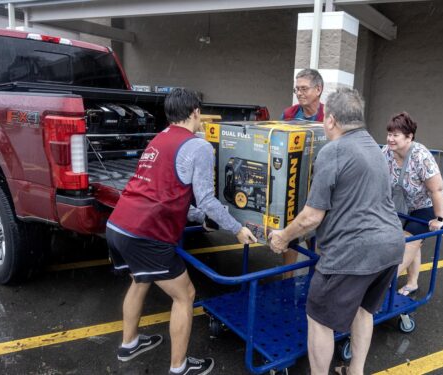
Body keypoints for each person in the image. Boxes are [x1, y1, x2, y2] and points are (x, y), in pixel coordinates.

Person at [106, 88, 257, 375]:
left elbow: (167, 193)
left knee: (140, 281)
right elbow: (207, 199)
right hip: (146, 234)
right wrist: (236, 229)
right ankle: (180, 367)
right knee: (185, 294)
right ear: (196, 112)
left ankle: (130, 344)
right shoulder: (198, 146)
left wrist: (202, 217)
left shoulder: (160, 139)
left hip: (119, 225)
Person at [268, 88, 404, 375]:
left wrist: (283, 237)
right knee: (363, 311)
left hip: (353, 252)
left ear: (330, 120)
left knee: (319, 319)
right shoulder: (374, 147)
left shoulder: (334, 151)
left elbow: (311, 217)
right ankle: (355, 372)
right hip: (390, 246)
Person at [382, 112, 443, 296]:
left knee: (408, 239)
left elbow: (436, 190)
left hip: (431, 205)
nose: (390, 139)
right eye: (389, 134)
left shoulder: (421, 156)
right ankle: (412, 283)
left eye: (395, 135)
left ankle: (383, 282)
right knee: (415, 240)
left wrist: (439, 218)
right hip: (408, 205)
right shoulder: (387, 153)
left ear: (409, 136)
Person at [280, 68, 325, 278]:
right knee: (291, 229)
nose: (299, 93)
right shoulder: (289, 114)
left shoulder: (329, 116)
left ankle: (314, 276)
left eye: (304, 88)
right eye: (297, 89)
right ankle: (285, 277)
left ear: (318, 89)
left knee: (315, 232)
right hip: (293, 181)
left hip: (320, 183)